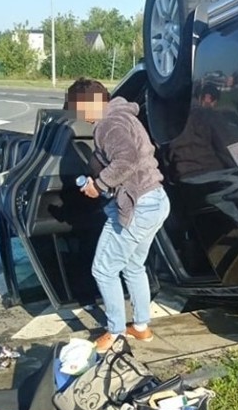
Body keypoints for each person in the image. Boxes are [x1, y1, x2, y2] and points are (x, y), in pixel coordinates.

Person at [64, 77, 170, 353]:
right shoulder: (122, 116)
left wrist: (98, 185)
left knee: (103, 269)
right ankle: (141, 327)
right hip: (155, 199)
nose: (78, 115)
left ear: (91, 104)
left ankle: (115, 332)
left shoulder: (108, 124)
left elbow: (127, 160)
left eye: (78, 108)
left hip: (138, 205)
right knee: (134, 267)